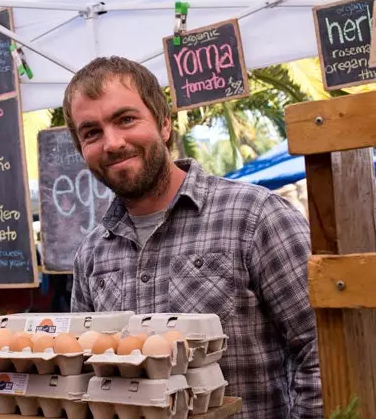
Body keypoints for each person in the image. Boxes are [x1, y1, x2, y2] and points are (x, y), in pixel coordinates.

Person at [64, 57, 322, 418]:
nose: (112, 142)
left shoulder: (256, 215)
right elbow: (86, 372)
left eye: (125, 119)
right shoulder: (91, 253)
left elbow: (321, 351)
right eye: (91, 132)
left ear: (164, 123)